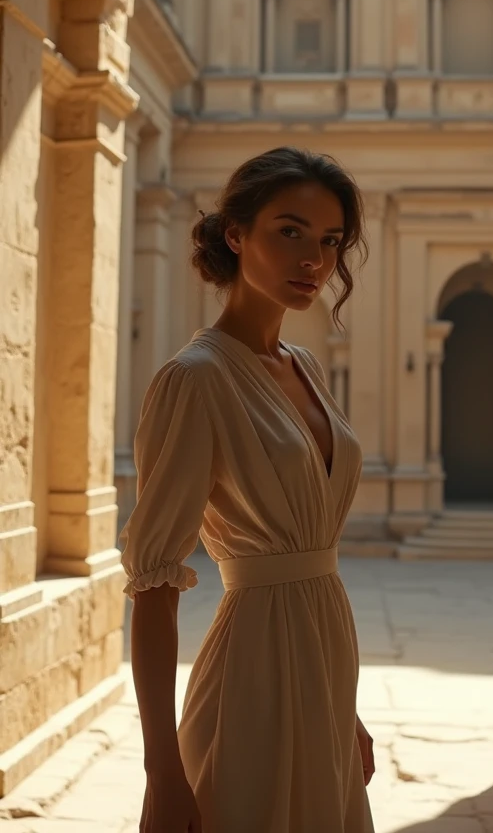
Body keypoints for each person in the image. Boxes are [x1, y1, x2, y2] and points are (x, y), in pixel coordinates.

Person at [119, 146, 376, 833]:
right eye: (288, 231)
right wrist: (162, 771)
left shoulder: (308, 367)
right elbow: (152, 584)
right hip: (251, 678)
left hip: (327, 662)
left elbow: (311, 564)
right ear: (236, 235)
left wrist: (343, 707)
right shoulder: (195, 379)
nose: (313, 261)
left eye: (328, 241)